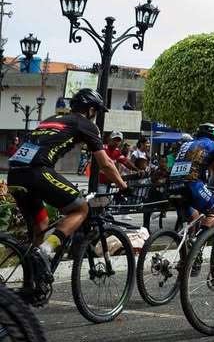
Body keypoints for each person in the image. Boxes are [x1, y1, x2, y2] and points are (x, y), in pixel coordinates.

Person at [7, 88, 128, 300]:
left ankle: (32, 286)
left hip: (15, 174)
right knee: (81, 208)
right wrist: (123, 185)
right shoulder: (85, 123)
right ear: (91, 110)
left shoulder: (51, 120)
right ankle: (46, 251)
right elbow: (105, 164)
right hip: (37, 172)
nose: (95, 116)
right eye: (96, 111)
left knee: (40, 228)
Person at [167, 123, 214, 226]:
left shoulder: (186, 144)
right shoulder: (212, 144)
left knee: (194, 219)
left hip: (172, 185)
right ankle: (204, 236)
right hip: (192, 185)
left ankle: (188, 236)